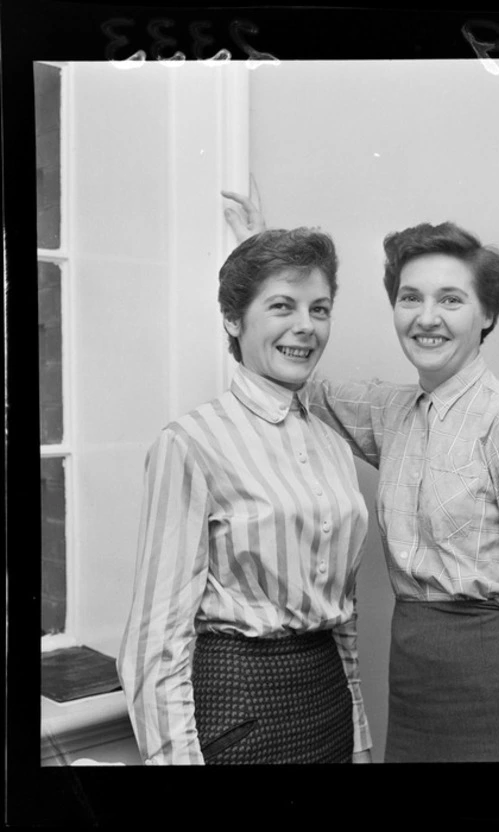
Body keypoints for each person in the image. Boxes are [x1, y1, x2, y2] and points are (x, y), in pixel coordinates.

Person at [223, 188, 499, 763]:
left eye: (450, 300)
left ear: (488, 313)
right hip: (413, 672)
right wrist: (264, 265)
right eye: (409, 298)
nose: (426, 318)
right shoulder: (394, 413)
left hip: (492, 683)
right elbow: (297, 372)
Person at [117, 227, 372, 765]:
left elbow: (344, 623)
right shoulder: (190, 443)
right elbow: (153, 645)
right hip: (239, 710)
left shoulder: (333, 447)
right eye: (282, 306)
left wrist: (360, 737)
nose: (306, 326)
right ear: (234, 319)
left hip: (327, 706)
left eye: (319, 309)